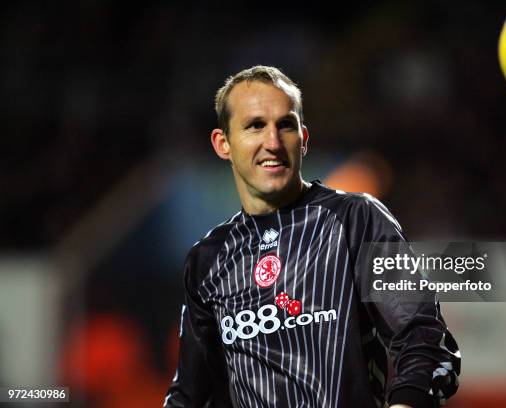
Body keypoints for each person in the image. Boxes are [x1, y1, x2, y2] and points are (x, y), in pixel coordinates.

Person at [163, 65, 460, 408]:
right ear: (223, 143)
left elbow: (425, 337)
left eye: (285, 125)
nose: (272, 143)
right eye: (255, 126)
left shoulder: (355, 220)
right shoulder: (208, 260)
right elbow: (190, 395)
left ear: (303, 140)